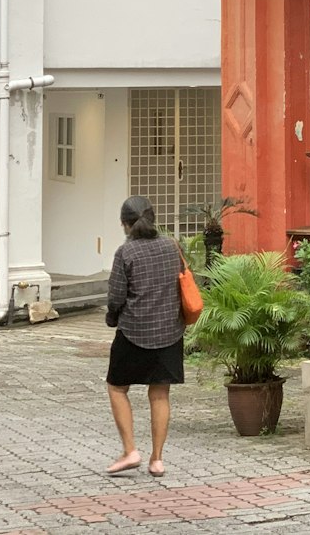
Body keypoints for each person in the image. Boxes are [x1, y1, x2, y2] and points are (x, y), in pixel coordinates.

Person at [104, 196, 184, 477]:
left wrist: (112, 318)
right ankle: (157, 459)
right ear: (153, 218)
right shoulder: (172, 247)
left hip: (134, 332)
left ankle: (130, 450)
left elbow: (116, 297)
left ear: (125, 224)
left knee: (117, 388)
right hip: (170, 332)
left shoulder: (125, 253)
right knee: (160, 394)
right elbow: (183, 281)